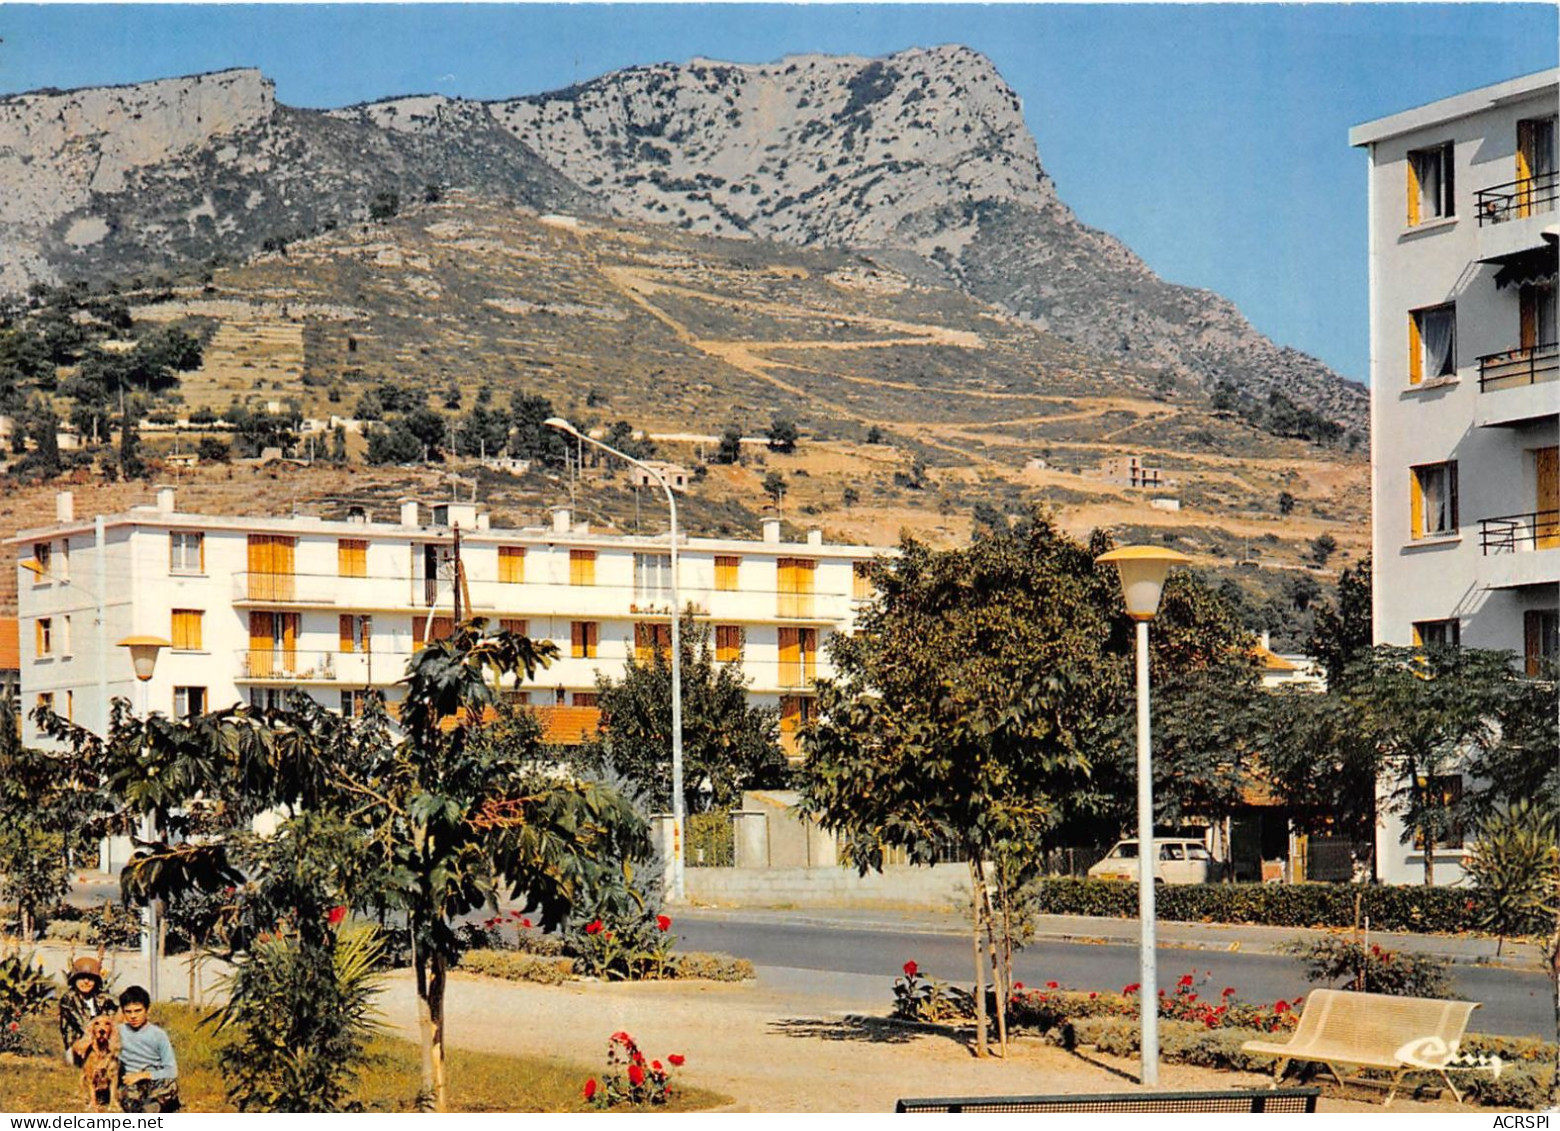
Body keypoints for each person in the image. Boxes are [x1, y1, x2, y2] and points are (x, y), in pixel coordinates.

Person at [115, 986, 180, 1113]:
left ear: (147, 1010)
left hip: (152, 1079)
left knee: (169, 1084)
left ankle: (155, 1105)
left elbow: (172, 1070)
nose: (133, 1016)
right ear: (122, 1012)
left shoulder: (158, 1035)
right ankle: (147, 1109)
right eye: (128, 1012)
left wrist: (144, 1075)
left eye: (138, 1011)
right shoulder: (118, 1032)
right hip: (131, 1082)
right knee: (129, 1097)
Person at [58, 957, 116, 1066]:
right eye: (81, 978)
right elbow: (83, 1025)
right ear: (74, 980)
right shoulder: (68, 999)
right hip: (80, 1043)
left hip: (103, 1041)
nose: (86, 982)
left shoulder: (104, 999)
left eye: (90, 978)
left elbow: (113, 1021)